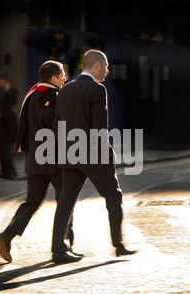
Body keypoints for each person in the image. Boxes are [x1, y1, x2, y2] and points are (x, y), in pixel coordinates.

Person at [51, 50, 137, 263]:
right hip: (93, 155)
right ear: (96, 65)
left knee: (65, 202)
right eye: (106, 67)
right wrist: (107, 155)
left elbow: (56, 124)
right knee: (113, 196)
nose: (108, 72)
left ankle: (58, 249)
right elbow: (100, 127)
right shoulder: (98, 90)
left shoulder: (65, 89)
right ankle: (118, 245)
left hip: (69, 153)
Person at [0, 61, 80, 263]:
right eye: (62, 76)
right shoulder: (56, 97)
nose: (64, 79)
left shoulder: (32, 95)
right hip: (55, 161)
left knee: (32, 201)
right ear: (54, 78)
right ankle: (62, 246)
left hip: (34, 159)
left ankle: (7, 235)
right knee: (65, 201)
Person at [0, 72, 18, 180]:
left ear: (6, 82)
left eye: (2, 82)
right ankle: (5, 171)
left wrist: (7, 92)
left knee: (5, 148)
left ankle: (9, 172)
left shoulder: (12, 91)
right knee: (1, 149)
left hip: (7, 124)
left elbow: (12, 102)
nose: (0, 84)